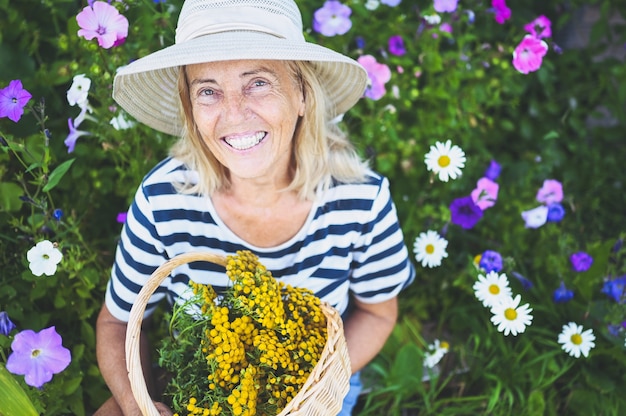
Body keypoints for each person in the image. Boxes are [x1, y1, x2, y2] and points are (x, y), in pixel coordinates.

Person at [94, 0, 415, 414]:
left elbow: (377, 314)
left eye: (258, 83)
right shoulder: (164, 197)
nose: (234, 114)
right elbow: (116, 322)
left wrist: (306, 391)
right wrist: (138, 404)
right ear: (190, 108)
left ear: (301, 93)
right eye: (208, 91)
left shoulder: (360, 200)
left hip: (310, 395)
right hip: (198, 393)